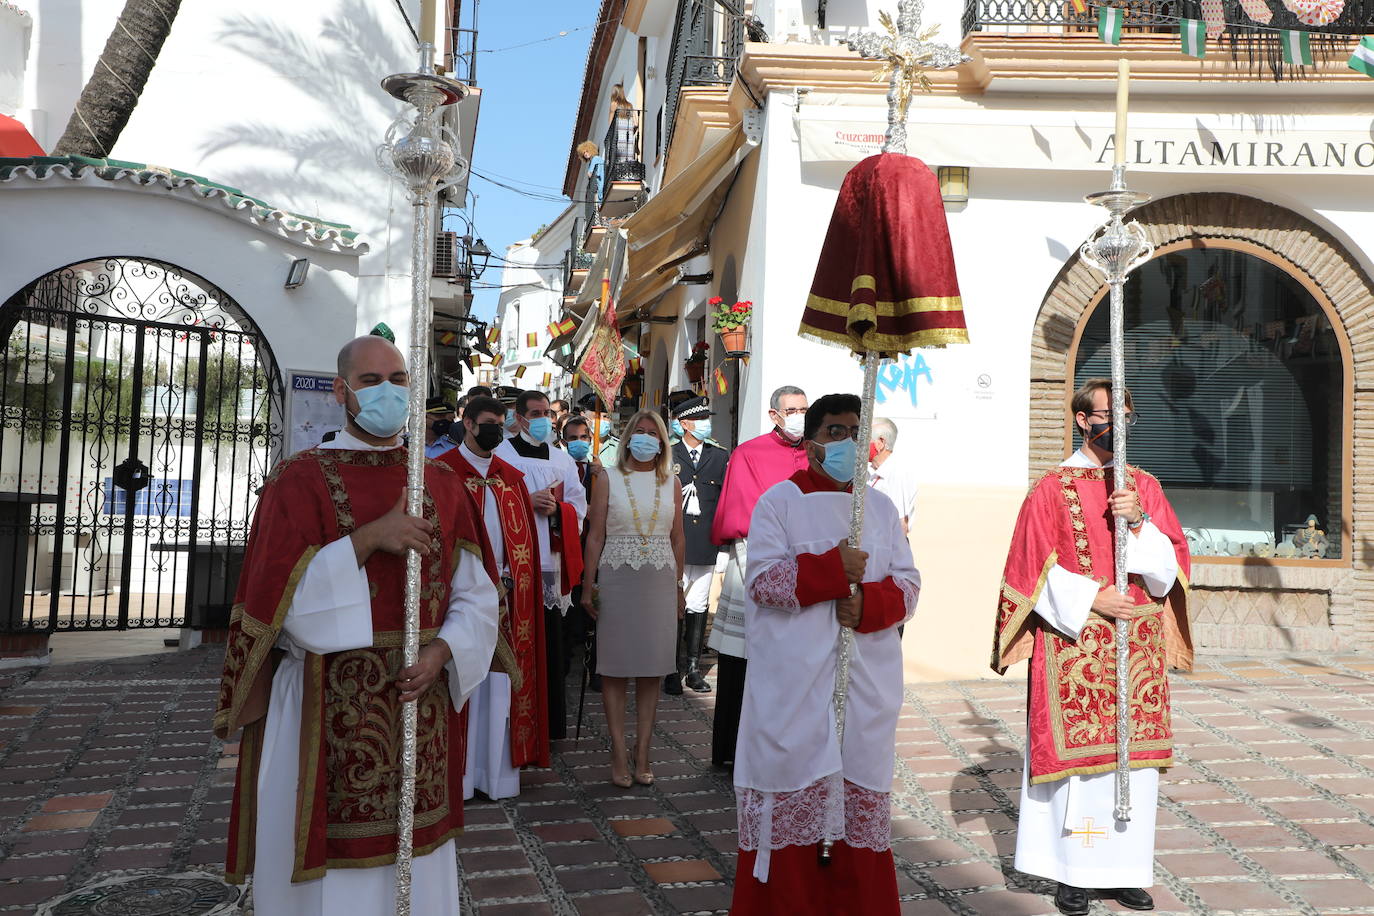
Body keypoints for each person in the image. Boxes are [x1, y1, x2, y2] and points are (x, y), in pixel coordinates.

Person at [214, 335, 499, 914]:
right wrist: (370, 538)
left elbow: (477, 597)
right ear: (342, 391)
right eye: (371, 381)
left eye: (399, 379)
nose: (387, 392)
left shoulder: (442, 486)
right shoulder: (298, 482)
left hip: (421, 706)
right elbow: (281, 609)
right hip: (321, 705)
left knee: (415, 872)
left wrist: (443, 654)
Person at [992, 378, 1191, 916]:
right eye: (1107, 415)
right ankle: (1072, 874)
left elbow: (1170, 568)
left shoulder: (1144, 486)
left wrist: (1139, 521)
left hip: (1136, 645)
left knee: (1133, 765)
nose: (1118, 425)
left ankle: (1125, 870)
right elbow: (1027, 570)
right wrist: (1093, 597)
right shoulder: (1050, 490)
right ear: (1083, 420)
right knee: (1079, 772)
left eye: (1126, 415)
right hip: (1075, 643)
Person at [729, 393, 920, 915]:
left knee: (858, 810)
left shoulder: (879, 509)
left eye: (856, 431)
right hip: (795, 687)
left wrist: (867, 606)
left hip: (863, 686)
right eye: (836, 431)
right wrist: (832, 570)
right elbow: (764, 582)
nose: (848, 442)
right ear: (811, 443)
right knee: (792, 802)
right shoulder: (778, 503)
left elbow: (908, 585)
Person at [436, 396, 548, 800]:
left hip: (506, 596)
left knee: (500, 686)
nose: (495, 431)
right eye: (488, 423)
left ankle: (496, 775)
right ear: (467, 423)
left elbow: (523, 546)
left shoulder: (510, 477)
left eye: (501, 424)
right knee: (464, 678)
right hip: (460, 598)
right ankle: (460, 778)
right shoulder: (444, 472)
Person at [708, 385, 811, 769]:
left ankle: (784, 750)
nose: (799, 415)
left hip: (807, 571)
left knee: (794, 667)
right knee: (742, 661)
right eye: (792, 409)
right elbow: (741, 513)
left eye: (804, 408)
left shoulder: (816, 454)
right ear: (774, 415)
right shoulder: (749, 453)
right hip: (756, 562)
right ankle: (730, 753)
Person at [581, 409, 685, 786]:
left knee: (652, 667)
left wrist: (678, 586)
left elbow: (677, 538)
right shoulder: (608, 477)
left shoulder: (671, 482)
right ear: (627, 438)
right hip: (616, 575)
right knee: (615, 667)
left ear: (661, 442)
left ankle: (643, 749)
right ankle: (618, 750)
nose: (644, 438)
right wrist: (587, 583)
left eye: (651, 433)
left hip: (659, 578)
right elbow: (594, 535)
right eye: (638, 432)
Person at [496, 390, 588, 741]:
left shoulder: (562, 459)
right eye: (535, 413)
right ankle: (512, 722)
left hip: (550, 561)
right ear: (518, 418)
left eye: (547, 413)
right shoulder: (502, 455)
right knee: (517, 644)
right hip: (514, 564)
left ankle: (549, 725)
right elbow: (491, 504)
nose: (543, 419)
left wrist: (558, 511)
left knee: (551, 645)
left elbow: (579, 507)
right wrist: (523, 500)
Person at [668, 395, 728, 695]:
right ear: (683, 424)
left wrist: (723, 545)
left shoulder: (719, 457)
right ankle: (669, 668)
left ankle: (692, 668)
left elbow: (724, 502)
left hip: (705, 542)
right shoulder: (668, 454)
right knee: (671, 605)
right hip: (673, 542)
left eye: (707, 419)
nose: (706, 424)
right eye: (700, 419)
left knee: (698, 604)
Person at [562, 415, 604, 691]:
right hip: (568, 547)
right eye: (573, 438)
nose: (579, 443)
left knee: (594, 606)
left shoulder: (598, 471)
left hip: (593, 545)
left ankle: (596, 666)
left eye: (584, 438)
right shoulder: (559, 466)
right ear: (564, 441)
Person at [867, 417, 918, 535]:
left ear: (880, 443)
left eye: (864, 441)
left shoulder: (898, 472)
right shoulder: (873, 471)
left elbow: (901, 524)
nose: (858, 446)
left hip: (888, 549)